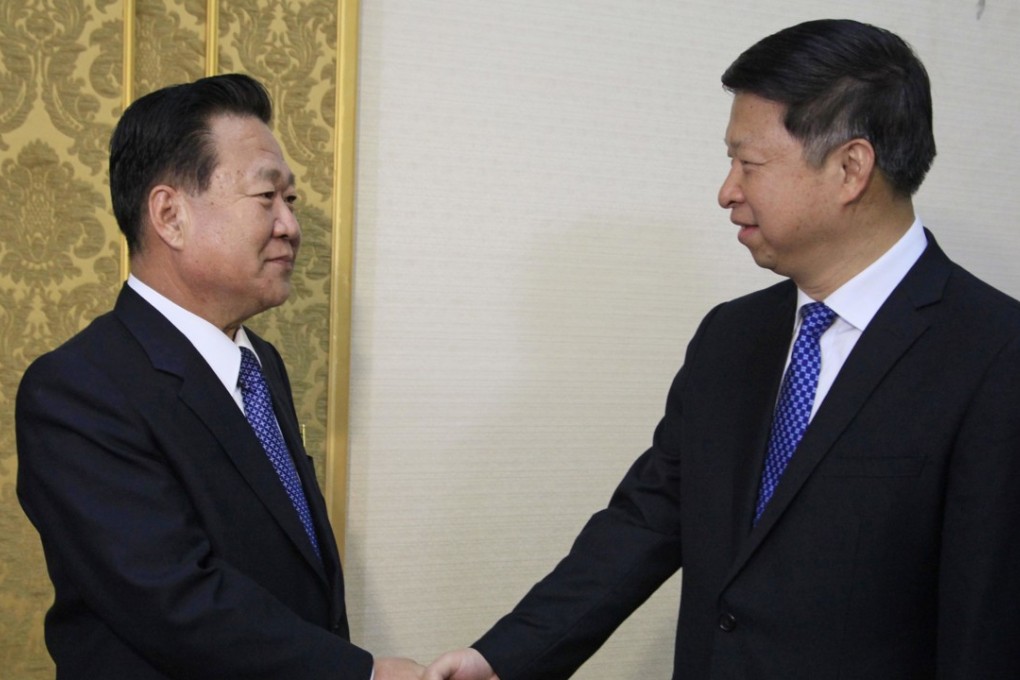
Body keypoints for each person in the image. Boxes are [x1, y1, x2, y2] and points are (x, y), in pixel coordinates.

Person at [424, 19, 1020, 680]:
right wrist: (502, 660)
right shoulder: (731, 338)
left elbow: (986, 625)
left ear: (851, 168)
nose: (727, 190)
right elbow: (648, 521)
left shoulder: (995, 355)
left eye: (749, 163)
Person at [16, 74, 422, 680]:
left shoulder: (260, 365)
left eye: (292, 201)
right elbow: (174, 600)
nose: (290, 225)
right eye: (267, 198)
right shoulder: (77, 389)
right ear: (170, 215)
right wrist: (360, 673)